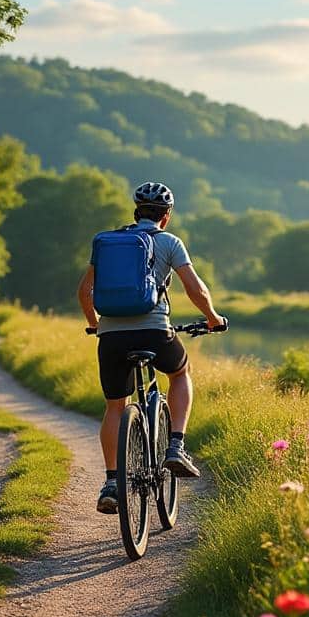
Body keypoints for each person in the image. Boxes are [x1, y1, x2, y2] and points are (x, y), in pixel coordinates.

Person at [77, 181, 226, 514]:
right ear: (166, 216)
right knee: (181, 371)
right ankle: (175, 446)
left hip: (112, 337)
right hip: (156, 333)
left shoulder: (106, 242)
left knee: (115, 407)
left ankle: (113, 483)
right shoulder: (169, 242)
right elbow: (195, 289)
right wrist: (213, 318)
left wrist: (95, 323)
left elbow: (85, 292)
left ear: (135, 212)